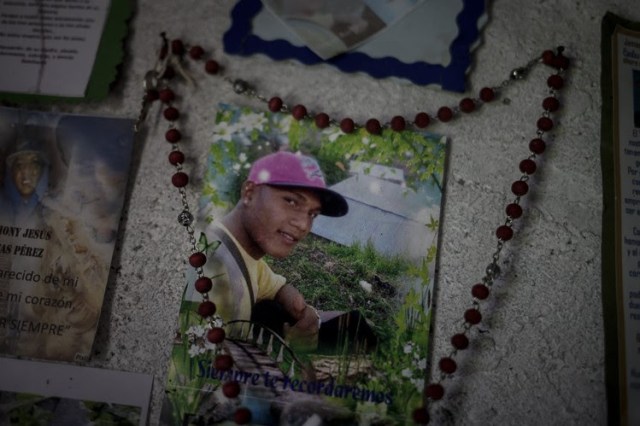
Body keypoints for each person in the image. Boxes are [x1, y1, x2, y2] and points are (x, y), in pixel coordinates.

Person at [201, 150, 349, 350]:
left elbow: (276, 287)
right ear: (249, 193)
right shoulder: (211, 273)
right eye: (291, 201)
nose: (304, 225)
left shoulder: (241, 253)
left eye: (312, 214)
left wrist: (305, 312)